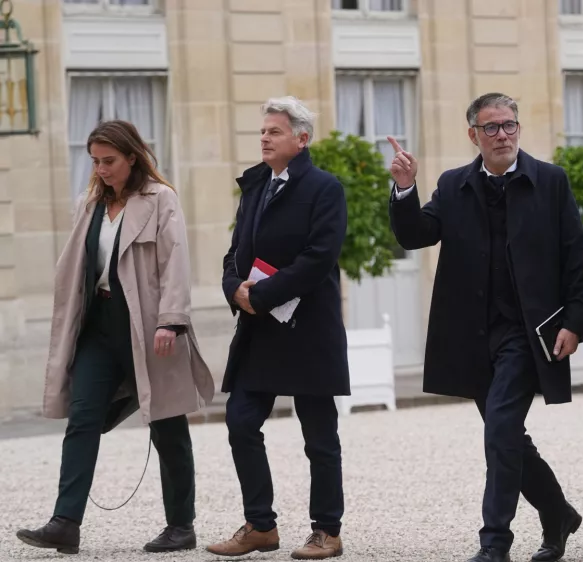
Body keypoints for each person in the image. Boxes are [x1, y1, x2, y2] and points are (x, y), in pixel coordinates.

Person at [388, 92, 583, 562]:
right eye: (491, 127)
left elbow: (574, 260)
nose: (502, 134)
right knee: (508, 436)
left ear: (518, 128)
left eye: (509, 125)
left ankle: (494, 542)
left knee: (500, 429)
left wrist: (576, 321)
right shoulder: (454, 183)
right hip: (473, 335)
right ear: (473, 135)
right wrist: (404, 189)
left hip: (527, 331)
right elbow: (415, 234)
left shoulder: (551, 181)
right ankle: (558, 513)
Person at [15, 120, 214, 555]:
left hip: (148, 324)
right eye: (95, 162)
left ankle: (181, 526)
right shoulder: (89, 204)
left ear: (132, 157)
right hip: (99, 323)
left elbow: (175, 263)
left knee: (167, 425)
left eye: (109, 161)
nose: (101, 169)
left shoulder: (161, 200)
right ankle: (65, 523)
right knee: (83, 418)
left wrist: (171, 321)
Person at [207, 96, 349, 560]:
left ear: (301, 139)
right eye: (263, 131)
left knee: (319, 438)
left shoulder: (325, 188)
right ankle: (260, 527)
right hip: (259, 330)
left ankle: (327, 531)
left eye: (274, 131)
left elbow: (318, 259)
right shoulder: (255, 185)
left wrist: (260, 295)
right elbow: (235, 253)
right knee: (240, 422)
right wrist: (235, 290)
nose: (264, 137)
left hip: (307, 330)